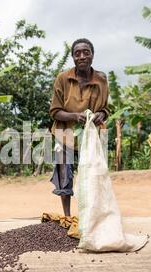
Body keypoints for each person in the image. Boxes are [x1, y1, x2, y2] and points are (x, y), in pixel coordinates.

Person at [49, 38, 110, 216]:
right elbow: (54, 111)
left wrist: (102, 114)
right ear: (73, 57)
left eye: (86, 52)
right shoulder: (63, 78)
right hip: (65, 133)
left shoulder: (101, 79)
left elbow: (106, 108)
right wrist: (75, 116)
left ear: (92, 55)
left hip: (90, 135)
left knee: (92, 175)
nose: (82, 56)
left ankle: (89, 216)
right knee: (64, 174)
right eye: (77, 53)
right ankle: (67, 216)